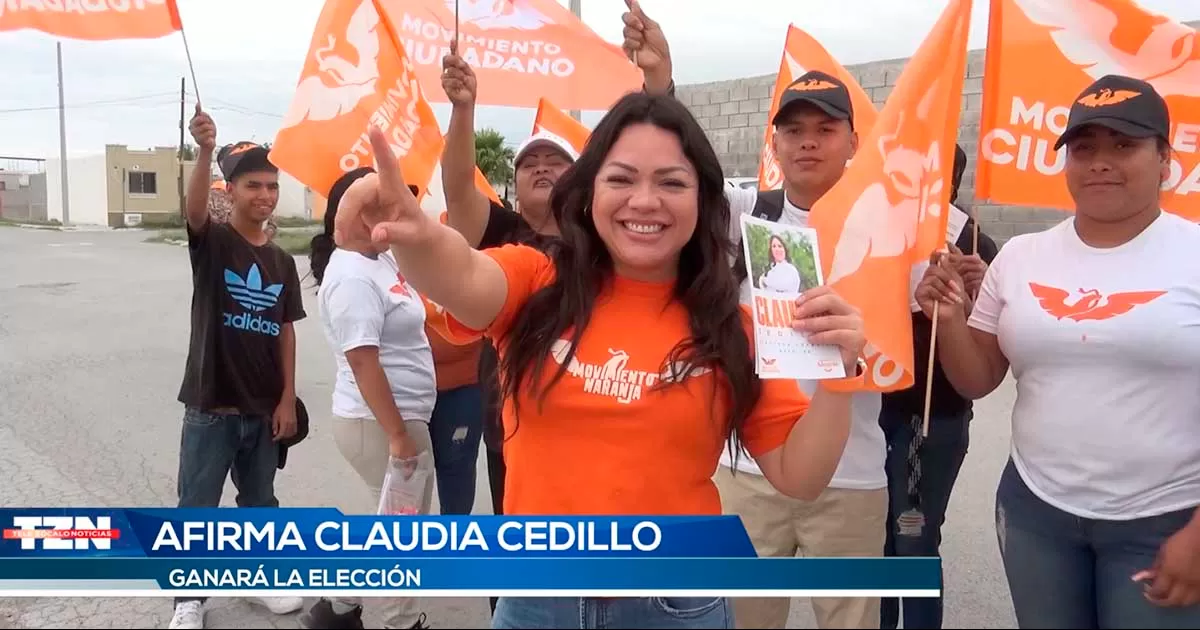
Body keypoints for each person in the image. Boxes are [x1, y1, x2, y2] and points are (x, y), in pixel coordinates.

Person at [334, 91, 868, 630]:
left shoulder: (732, 328)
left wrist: (842, 377)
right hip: (535, 603)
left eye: (671, 182)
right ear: (589, 193)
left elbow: (799, 475)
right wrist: (418, 234)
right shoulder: (537, 283)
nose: (644, 200)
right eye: (621, 179)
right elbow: (462, 276)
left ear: (704, 202)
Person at [625, 10, 892, 623]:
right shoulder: (745, 214)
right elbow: (685, 169)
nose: (807, 142)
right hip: (744, 471)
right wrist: (660, 86)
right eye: (793, 130)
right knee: (743, 617)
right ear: (773, 144)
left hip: (851, 477)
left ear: (854, 142)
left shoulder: (893, 235)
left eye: (826, 129)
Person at [916, 74, 1200, 628]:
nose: (1100, 162)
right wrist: (948, 317)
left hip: (1166, 520)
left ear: (1165, 158)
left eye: (1124, 145)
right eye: (1084, 147)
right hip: (1035, 514)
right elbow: (977, 379)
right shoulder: (1022, 257)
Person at [436, 26, 674, 615]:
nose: (542, 168)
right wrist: (463, 110)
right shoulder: (499, 233)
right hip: (512, 424)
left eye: (555, 161)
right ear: (513, 186)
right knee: (517, 547)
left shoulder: (603, 240)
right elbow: (457, 190)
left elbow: (662, 177)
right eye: (529, 163)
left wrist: (659, 84)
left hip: (600, 418)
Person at [170, 105, 305, 630]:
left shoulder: (282, 261)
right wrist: (205, 151)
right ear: (233, 190)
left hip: (263, 408)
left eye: (272, 186)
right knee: (197, 508)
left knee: (260, 503)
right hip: (211, 405)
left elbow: (287, 328)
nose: (265, 196)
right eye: (254, 186)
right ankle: (189, 598)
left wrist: (287, 396)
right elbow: (196, 211)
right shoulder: (214, 244)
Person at [300, 167, 435, 630]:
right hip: (381, 422)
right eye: (386, 203)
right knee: (406, 532)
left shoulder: (380, 258)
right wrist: (398, 435)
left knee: (392, 524)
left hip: (397, 418)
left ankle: (335, 609)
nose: (397, 211)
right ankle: (402, 623)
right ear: (356, 214)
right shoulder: (352, 276)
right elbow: (363, 363)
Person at [878, 144, 998, 630]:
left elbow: (993, 349)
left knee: (912, 540)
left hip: (929, 418)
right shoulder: (877, 239)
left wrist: (973, 298)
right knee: (874, 541)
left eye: (931, 178)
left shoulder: (974, 249)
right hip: (870, 412)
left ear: (949, 185)